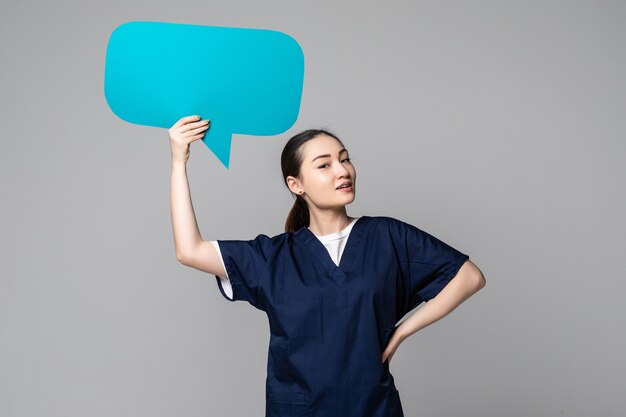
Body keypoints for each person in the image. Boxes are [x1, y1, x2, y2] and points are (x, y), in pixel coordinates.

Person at [169, 114, 486, 417]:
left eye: (345, 159)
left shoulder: (388, 236)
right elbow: (189, 251)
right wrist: (178, 162)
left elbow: (469, 277)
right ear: (296, 185)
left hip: (371, 407)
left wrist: (402, 331)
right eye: (325, 165)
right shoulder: (273, 257)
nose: (342, 170)